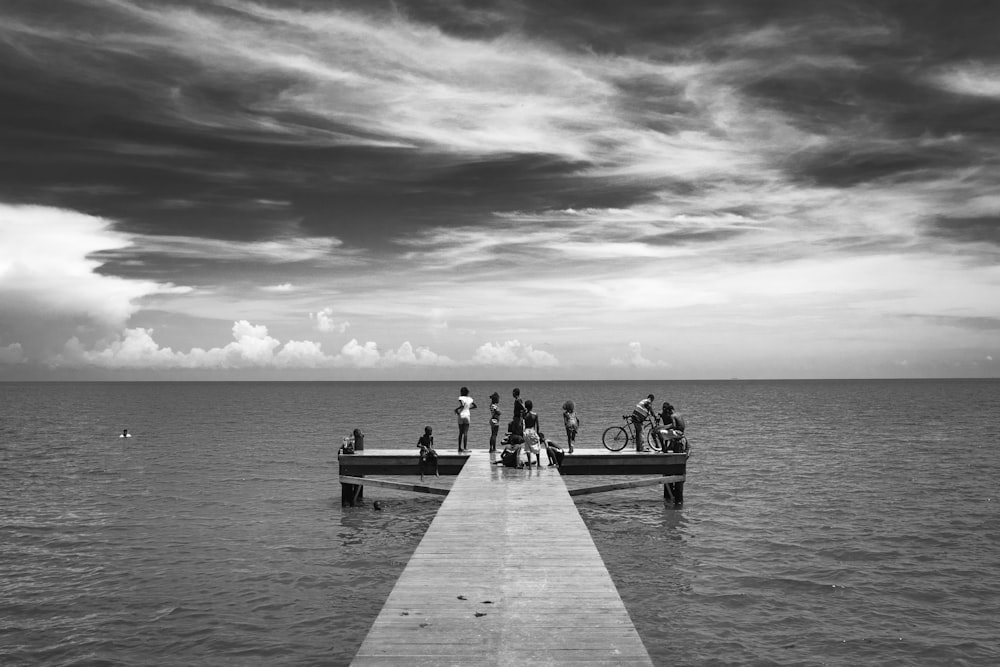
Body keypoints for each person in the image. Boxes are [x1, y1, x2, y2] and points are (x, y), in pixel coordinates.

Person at [455, 386, 477, 453]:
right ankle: (465, 448)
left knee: (460, 433)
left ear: (462, 392)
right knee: (465, 433)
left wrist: (456, 409)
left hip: (461, 415)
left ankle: (459, 448)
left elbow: (462, 405)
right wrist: (468, 409)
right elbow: (475, 406)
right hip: (467, 415)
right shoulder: (470, 399)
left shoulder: (460, 398)